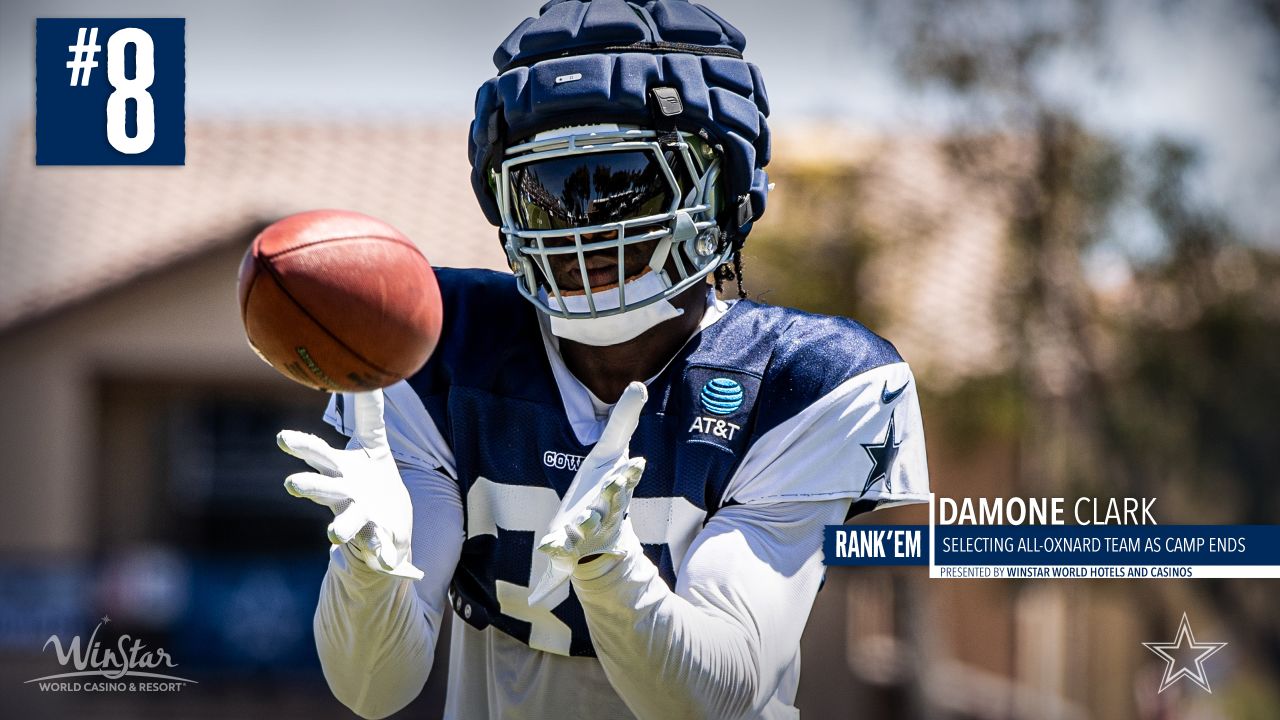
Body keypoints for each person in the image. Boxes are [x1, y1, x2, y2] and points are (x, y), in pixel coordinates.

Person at [275, 1, 929, 717]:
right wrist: (367, 575)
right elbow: (373, 690)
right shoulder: (434, 350)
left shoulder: (808, 382)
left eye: (622, 184)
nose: (585, 230)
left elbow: (712, 696)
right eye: (550, 195)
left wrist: (611, 572)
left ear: (722, 192)